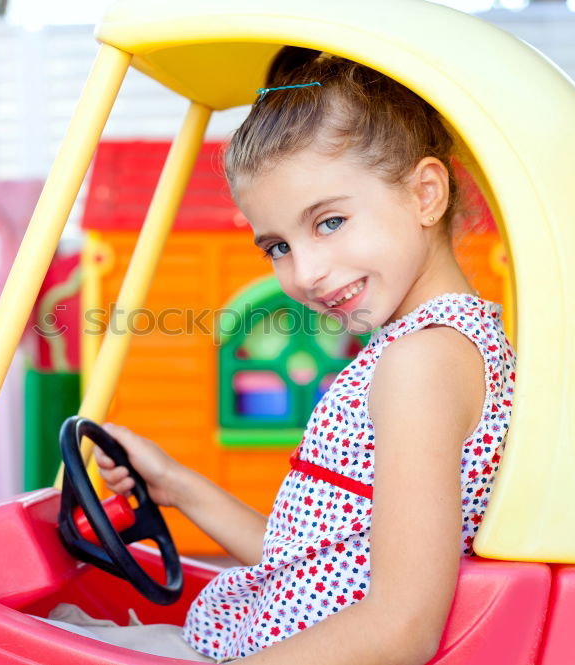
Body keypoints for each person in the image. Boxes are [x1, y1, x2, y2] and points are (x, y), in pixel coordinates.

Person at [72, 46, 515, 665]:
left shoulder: (423, 362)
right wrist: (177, 485)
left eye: (329, 222)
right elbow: (316, 564)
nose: (304, 273)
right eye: (276, 245)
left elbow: (399, 627)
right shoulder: (428, 345)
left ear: (426, 194)